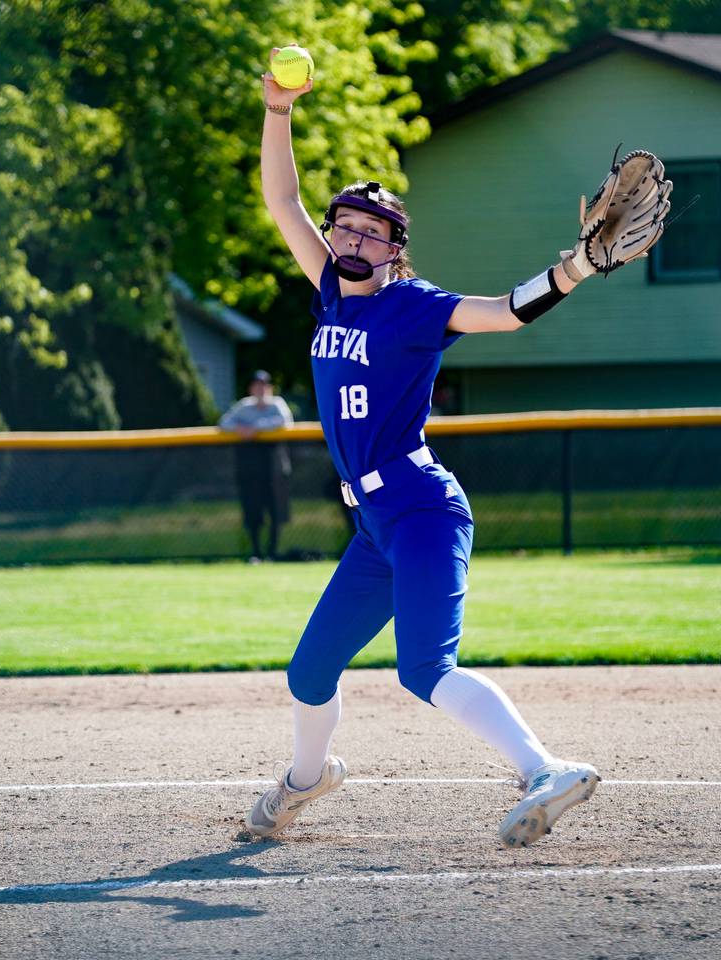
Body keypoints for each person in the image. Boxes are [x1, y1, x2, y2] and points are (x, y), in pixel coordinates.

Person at [245, 47, 621, 849]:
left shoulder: (412, 306)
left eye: (372, 232)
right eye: (344, 224)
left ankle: (544, 770)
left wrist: (577, 267)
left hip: (419, 508)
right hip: (375, 526)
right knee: (308, 673)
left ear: (394, 251)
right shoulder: (330, 297)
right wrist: (278, 109)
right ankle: (306, 780)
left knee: (425, 670)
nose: (350, 235)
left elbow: (505, 312)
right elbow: (282, 200)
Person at [218, 370, 294, 561]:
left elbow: (285, 421)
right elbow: (223, 423)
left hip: (274, 466)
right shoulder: (244, 406)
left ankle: (273, 552)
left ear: (269, 388)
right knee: (253, 509)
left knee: (276, 509)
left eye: (264, 385)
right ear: (251, 388)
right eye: (256, 385)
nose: (260, 388)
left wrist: (256, 427)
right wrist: (240, 428)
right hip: (251, 467)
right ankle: (256, 552)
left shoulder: (277, 404)